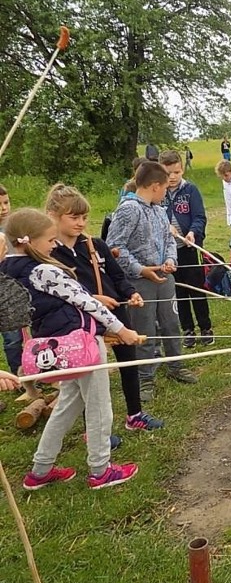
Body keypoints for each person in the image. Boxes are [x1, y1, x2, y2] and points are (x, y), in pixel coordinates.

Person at [1, 208, 140, 490]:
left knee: (68, 404)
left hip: (56, 346)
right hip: (80, 344)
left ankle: (40, 470)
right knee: (100, 404)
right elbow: (86, 302)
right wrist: (121, 330)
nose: (54, 245)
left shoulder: (7, 269)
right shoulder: (43, 270)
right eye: (50, 240)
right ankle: (101, 469)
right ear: (27, 241)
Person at [46, 184, 164, 432]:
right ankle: (95, 431)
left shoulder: (94, 245)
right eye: (74, 217)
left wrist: (131, 293)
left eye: (84, 218)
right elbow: (56, 293)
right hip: (81, 321)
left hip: (115, 314)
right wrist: (94, 298)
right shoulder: (50, 254)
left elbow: (117, 276)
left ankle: (135, 415)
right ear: (53, 216)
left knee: (128, 362)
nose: (80, 223)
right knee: (91, 377)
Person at [107, 160, 197, 401]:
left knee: (170, 323)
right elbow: (114, 246)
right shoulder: (128, 209)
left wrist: (170, 259)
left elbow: (170, 239)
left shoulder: (159, 210)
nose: (167, 192)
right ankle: (145, 376)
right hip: (140, 282)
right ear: (155, 186)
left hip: (164, 278)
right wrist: (140, 269)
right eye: (165, 188)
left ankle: (176, 365)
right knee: (145, 329)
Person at [159, 151, 213, 349]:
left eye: (177, 171)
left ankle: (206, 328)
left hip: (188, 247)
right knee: (178, 291)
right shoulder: (158, 192)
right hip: (168, 253)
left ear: (182, 170)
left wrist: (192, 232)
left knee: (196, 289)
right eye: (168, 173)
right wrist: (166, 227)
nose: (172, 177)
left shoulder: (191, 190)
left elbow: (199, 217)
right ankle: (187, 329)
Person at [0, 184, 28, 398]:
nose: (3, 208)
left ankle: (29, 374)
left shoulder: (16, 227)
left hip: (16, 292)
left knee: (25, 334)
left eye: (6, 203)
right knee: (11, 338)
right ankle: (14, 375)